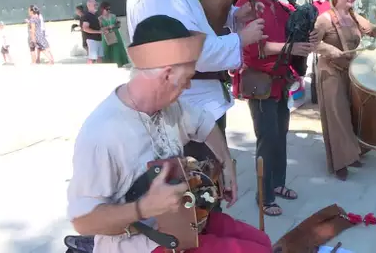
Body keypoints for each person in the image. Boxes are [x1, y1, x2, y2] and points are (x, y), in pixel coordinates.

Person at [66, 15, 272, 253]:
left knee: (261, 242)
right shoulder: (101, 135)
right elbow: (82, 221)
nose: (188, 87)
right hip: (143, 246)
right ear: (165, 75)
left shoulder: (170, 107)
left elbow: (204, 122)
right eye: (185, 80)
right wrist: (142, 208)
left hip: (184, 224)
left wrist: (226, 162)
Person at [125, 0, 265, 201]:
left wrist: (235, 17)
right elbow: (192, 52)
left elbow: (198, 20)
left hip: (202, 107)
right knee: (201, 196)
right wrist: (241, 39)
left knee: (211, 187)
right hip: (189, 108)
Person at [234, 0, 318, 216]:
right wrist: (289, 48)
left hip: (281, 81)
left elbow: (293, 38)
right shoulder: (246, 6)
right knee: (266, 139)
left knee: (280, 136)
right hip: (259, 81)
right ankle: (264, 195)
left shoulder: (281, 9)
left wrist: (309, 39)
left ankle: (278, 184)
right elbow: (251, 47)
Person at [314, 0, 376, 181]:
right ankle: (339, 164)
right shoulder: (324, 19)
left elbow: (372, 30)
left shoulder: (353, 16)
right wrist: (330, 49)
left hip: (351, 72)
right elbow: (312, 43)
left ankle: (352, 154)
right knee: (337, 117)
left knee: (353, 114)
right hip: (331, 72)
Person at [98, 1, 130, 67]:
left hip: (115, 34)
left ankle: (119, 63)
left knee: (117, 49)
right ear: (102, 9)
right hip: (106, 36)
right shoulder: (100, 18)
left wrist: (117, 25)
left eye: (109, 9)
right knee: (107, 50)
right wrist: (109, 27)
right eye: (107, 9)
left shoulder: (113, 16)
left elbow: (118, 25)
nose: (109, 10)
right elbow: (100, 28)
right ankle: (108, 65)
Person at [81, 0, 104, 64]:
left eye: (96, 5)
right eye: (95, 5)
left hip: (98, 39)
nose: (96, 6)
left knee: (99, 57)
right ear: (89, 5)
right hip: (92, 40)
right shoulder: (86, 16)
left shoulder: (95, 16)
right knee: (92, 58)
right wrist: (99, 32)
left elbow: (97, 28)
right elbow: (85, 28)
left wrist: (103, 30)